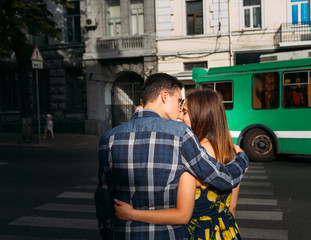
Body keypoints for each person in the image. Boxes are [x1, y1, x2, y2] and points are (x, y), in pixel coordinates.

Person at [96, 73, 249, 239]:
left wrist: (108, 232)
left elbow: (103, 199)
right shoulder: (181, 135)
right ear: (164, 96)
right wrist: (242, 158)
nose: (179, 111)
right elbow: (222, 178)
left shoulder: (109, 138)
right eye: (179, 101)